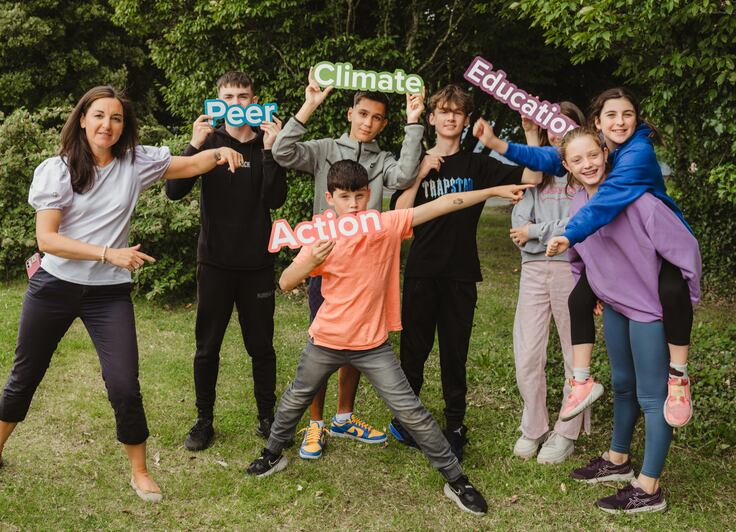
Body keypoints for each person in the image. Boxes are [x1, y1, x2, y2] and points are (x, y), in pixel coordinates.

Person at [0, 85, 243, 502]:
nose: (107, 125)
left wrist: (219, 154)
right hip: (54, 286)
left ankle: (140, 471)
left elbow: (188, 165)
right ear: (82, 119)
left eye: (116, 118)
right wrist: (107, 253)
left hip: (107, 295)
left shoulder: (136, 162)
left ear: (123, 125)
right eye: (98, 115)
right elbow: (47, 239)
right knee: (25, 374)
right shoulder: (56, 170)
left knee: (124, 385)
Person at [245, 159, 532, 515]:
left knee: (411, 411)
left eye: (359, 196)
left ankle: (457, 480)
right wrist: (309, 262)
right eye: (345, 197)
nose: (353, 204)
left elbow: (444, 204)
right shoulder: (321, 235)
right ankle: (272, 454)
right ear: (330, 198)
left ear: (369, 195)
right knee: (293, 400)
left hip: (372, 346)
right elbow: (286, 281)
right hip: (326, 339)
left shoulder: (384, 225)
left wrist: (491, 191)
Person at [476, 88, 695, 428]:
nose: (620, 122)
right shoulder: (603, 148)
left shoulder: (637, 153)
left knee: (672, 291)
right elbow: (553, 159)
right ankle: (581, 381)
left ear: (636, 118)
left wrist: (567, 234)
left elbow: (605, 201)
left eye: (627, 115)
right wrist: (498, 144)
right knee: (578, 298)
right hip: (612, 249)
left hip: (654, 242)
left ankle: (678, 376)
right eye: (611, 116)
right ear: (597, 123)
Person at [271, 67, 425, 459]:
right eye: (362, 114)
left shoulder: (384, 159)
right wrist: (308, 106)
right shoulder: (324, 149)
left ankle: (344, 417)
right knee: (321, 347)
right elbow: (283, 152)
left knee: (358, 343)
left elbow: (405, 174)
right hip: (328, 265)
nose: (368, 123)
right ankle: (315, 425)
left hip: (368, 270)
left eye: (376, 118)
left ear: (383, 123)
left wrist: (413, 122)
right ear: (350, 114)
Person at [550, 126, 700, 513]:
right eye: (577, 160)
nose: (588, 164)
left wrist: (685, 301)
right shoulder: (578, 204)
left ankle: (649, 488)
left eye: (593, 155)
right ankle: (618, 459)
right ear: (566, 166)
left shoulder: (640, 202)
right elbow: (581, 256)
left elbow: (686, 250)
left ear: (605, 151)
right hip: (616, 306)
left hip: (649, 312)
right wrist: (594, 288)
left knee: (653, 397)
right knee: (622, 385)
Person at [388, 84, 541, 461]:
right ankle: (407, 420)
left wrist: (532, 135)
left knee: (454, 354)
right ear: (432, 118)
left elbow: (533, 178)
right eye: (443, 110)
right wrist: (421, 172)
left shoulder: (477, 165)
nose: (450, 117)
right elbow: (398, 217)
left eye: (457, 112)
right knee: (414, 352)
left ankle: (455, 425)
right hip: (422, 272)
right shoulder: (415, 160)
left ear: (466, 119)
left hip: (460, 273)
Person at [165, 72, 288, 451]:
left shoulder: (266, 145)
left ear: (255, 100)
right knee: (207, 346)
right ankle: (204, 420)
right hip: (215, 262)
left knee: (261, 347)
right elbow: (174, 190)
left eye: (244, 96)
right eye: (229, 96)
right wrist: (192, 145)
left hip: (257, 265)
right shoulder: (210, 143)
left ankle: (267, 417)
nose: (236, 103)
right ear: (218, 100)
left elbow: (276, 199)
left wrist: (271, 149)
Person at [508, 102, 592, 464]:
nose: (557, 130)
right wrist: (534, 233)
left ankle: (566, 431)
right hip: (533, 270)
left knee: (576, 354)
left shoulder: (584, 171)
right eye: (551, 125)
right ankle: (534, 426)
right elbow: (517, 223)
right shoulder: (537, 172)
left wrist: (535, 232)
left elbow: (581, 222)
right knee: (527, 354)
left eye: (564, 124)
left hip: (570, 269)